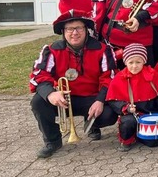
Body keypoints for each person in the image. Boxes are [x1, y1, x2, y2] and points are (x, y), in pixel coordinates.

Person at [29, 10, 117, 158]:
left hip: (91, 99)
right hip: (64, 99)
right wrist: (50, 93)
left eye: (79, 28)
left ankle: (92, 124)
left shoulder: (102, 50)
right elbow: (38, 75)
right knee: (38, 102)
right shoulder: (51, 50)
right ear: (63, 32)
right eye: (70, 29)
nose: (74, 33)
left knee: (109, 113)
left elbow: (109, 77)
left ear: (86, 30)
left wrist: (100, 100)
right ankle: (53, 141)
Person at [106, 43, 158, 151]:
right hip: (131, 114)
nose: (134, 66)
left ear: (144, 61)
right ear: (125, 62)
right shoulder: (119, 78)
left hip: (150, 113)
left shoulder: (152, 74)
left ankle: (142, 136)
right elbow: (113, 100)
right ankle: (128, 139)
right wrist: (126, 107)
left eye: (138, 62)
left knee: (154, 143)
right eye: (131, 62)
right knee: (127, 123)